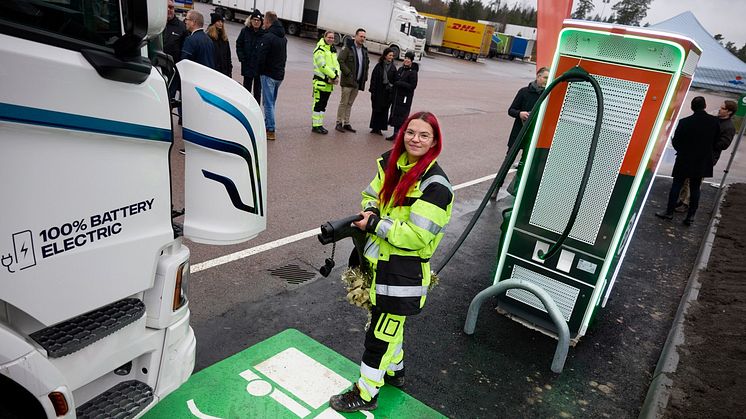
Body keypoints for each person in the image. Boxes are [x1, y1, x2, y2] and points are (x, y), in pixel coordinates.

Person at [329, 111, 454, 413]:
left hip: (403, 274)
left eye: (424, 135)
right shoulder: (391, 164)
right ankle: (396, 371)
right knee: (388, 326)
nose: (415, 139)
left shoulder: (436, 187)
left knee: (379, 338)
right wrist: (371, 210)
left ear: (434, 141)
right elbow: (370, 195)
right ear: (403, 134)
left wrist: (374, 225)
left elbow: (415, 236)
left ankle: (366, 392)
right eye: (411, 132)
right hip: (379, 265)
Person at [655, 96, 720, 226]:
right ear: (705, 106)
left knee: (676, 185)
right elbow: (716, 141)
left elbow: (677, 141)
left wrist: (682, 151)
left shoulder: (685, 122)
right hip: (702, 161)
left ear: (692, 107)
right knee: (695, 189)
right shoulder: (714, 121)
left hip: (684, 159)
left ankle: (669, 213)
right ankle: (690, 217)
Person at [256, 11, 287, 141]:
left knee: (267, 103)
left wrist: (259, 69)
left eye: (264, 20)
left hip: (268, 73)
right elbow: (284, 57)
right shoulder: (283, 37)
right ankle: (267, 122)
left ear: (268, 21)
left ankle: (270, 129)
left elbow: (261, 57)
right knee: (272, 102)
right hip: (279, 74)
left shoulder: (268, 37)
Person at [335, 29, 370, 133]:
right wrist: (348, 73)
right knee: (344, 102)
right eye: (361, 36)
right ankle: (338, 123)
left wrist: (365, 76)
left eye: (364, 37)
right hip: (347, 81)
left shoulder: (364, 50)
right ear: (355, 36)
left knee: (350, 103)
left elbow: (366, 65)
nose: (362, 38)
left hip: (357, 82)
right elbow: (340, 60)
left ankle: (346, 123)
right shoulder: (348, 48)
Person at [507, 66, 549, 150]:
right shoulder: (524, 91)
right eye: (545, 78)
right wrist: (520, 114)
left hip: (534, 135)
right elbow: (511, 110)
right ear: (538, 76)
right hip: (518, 132)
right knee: (509, 158)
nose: (547, 80)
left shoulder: (548, 95)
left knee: (526, 160)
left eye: (549, 78)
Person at [311, 31, 340, 134]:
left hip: (329, 83)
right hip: (320, 82)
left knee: (323, 105)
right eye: (329, 37)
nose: (331, 39)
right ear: (324, 37)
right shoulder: (319, 50)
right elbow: (322, 65)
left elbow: (336, 64)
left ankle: (320, 124)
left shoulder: (332, 50)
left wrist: (336, 74)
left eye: (332, 38)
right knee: (318, 105)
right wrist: (333, 76)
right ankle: (315, 126)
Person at [163, 0, 188, 122]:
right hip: (156, 69)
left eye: (172, 7)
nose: (169, 10)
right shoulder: (157, 24)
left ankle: (170, 123)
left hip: (173, 72)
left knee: (170, 99)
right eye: (167, 7)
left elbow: (185, 51)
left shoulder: (181, 27)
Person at [386, 51, 419, 141]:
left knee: (401, 117)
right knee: (395, 115)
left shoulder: (413, 72)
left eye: (408, 59)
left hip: (405, 99)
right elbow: (395, 79)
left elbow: (413, 86)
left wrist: (400, 83)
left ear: (411, 61)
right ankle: (395, 134)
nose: (406, 60)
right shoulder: (401, 69)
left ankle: (399, 136)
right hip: (397, 97)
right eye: (406, 58)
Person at [236, 9, 264, 104]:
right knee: (246, 90)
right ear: (250, 20)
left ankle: (256, 112)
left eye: (258, 20)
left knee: (257, 92)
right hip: (247, 66)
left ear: (261, 22)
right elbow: (239, 44)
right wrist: (242, 58)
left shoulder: (264, 34)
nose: (256, 22)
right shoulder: (245, 31)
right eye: (254, 20)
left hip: (259, 68)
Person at [368, 48, 396, 136]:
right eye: (390, 55)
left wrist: (391, 88)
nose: (391, 57)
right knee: (376, 109)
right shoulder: (379, 66)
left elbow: (395, 80)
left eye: (392, 55)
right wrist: (372, 90)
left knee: (384, 110)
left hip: (387, 92)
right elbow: (374, 78)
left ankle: (380, 128)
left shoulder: (393, 68)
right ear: (385, 55)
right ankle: (374, 127)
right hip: (378, 91)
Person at [207, 13, 232, 77]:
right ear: (214, 23)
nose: (221, 23)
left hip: (224, 72)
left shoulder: (224, 38)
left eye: (222, 21)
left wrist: (229, 71)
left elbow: (228, 56)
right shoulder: (209, 38)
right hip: (213, 71)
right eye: (218, 21)